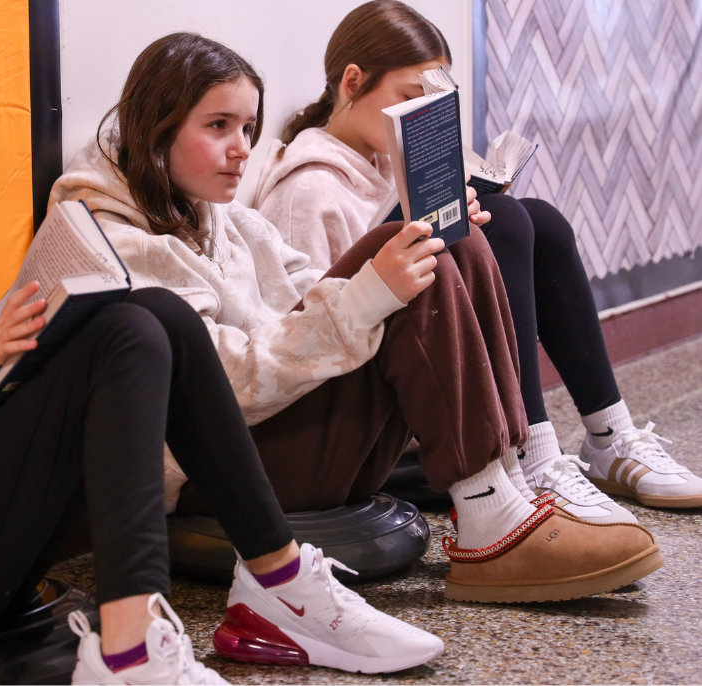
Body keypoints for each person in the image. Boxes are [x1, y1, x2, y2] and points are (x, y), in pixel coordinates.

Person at [0, 26, 453, 685]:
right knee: (127, 330)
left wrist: (8, 363)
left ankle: (271, 583)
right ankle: (134, 655)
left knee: (151, 315)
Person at [50, 31, 662, 621]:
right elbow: (212, 387)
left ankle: (511, 488)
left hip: (285, 438)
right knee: (397, 256)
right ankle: (488, 523)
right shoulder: (119, 243)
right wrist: (372, 292)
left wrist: (423, 244)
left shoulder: (226, 220)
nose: (242, 148)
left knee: (457, 238)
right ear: (154, 129)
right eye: (218, 126)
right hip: (209, 474)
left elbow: (310, 298)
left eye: (247, 129)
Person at [254, 0, 702, 517]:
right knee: (505, 220)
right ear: (353, 81)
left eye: (430, 102)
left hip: (423, 364)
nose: (417, 115)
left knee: (538, 221)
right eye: (408, 98)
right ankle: (531, 453)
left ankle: (609, 435)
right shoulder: (307, 190)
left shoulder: (378, 166)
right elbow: (299, 335)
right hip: (368, 409)